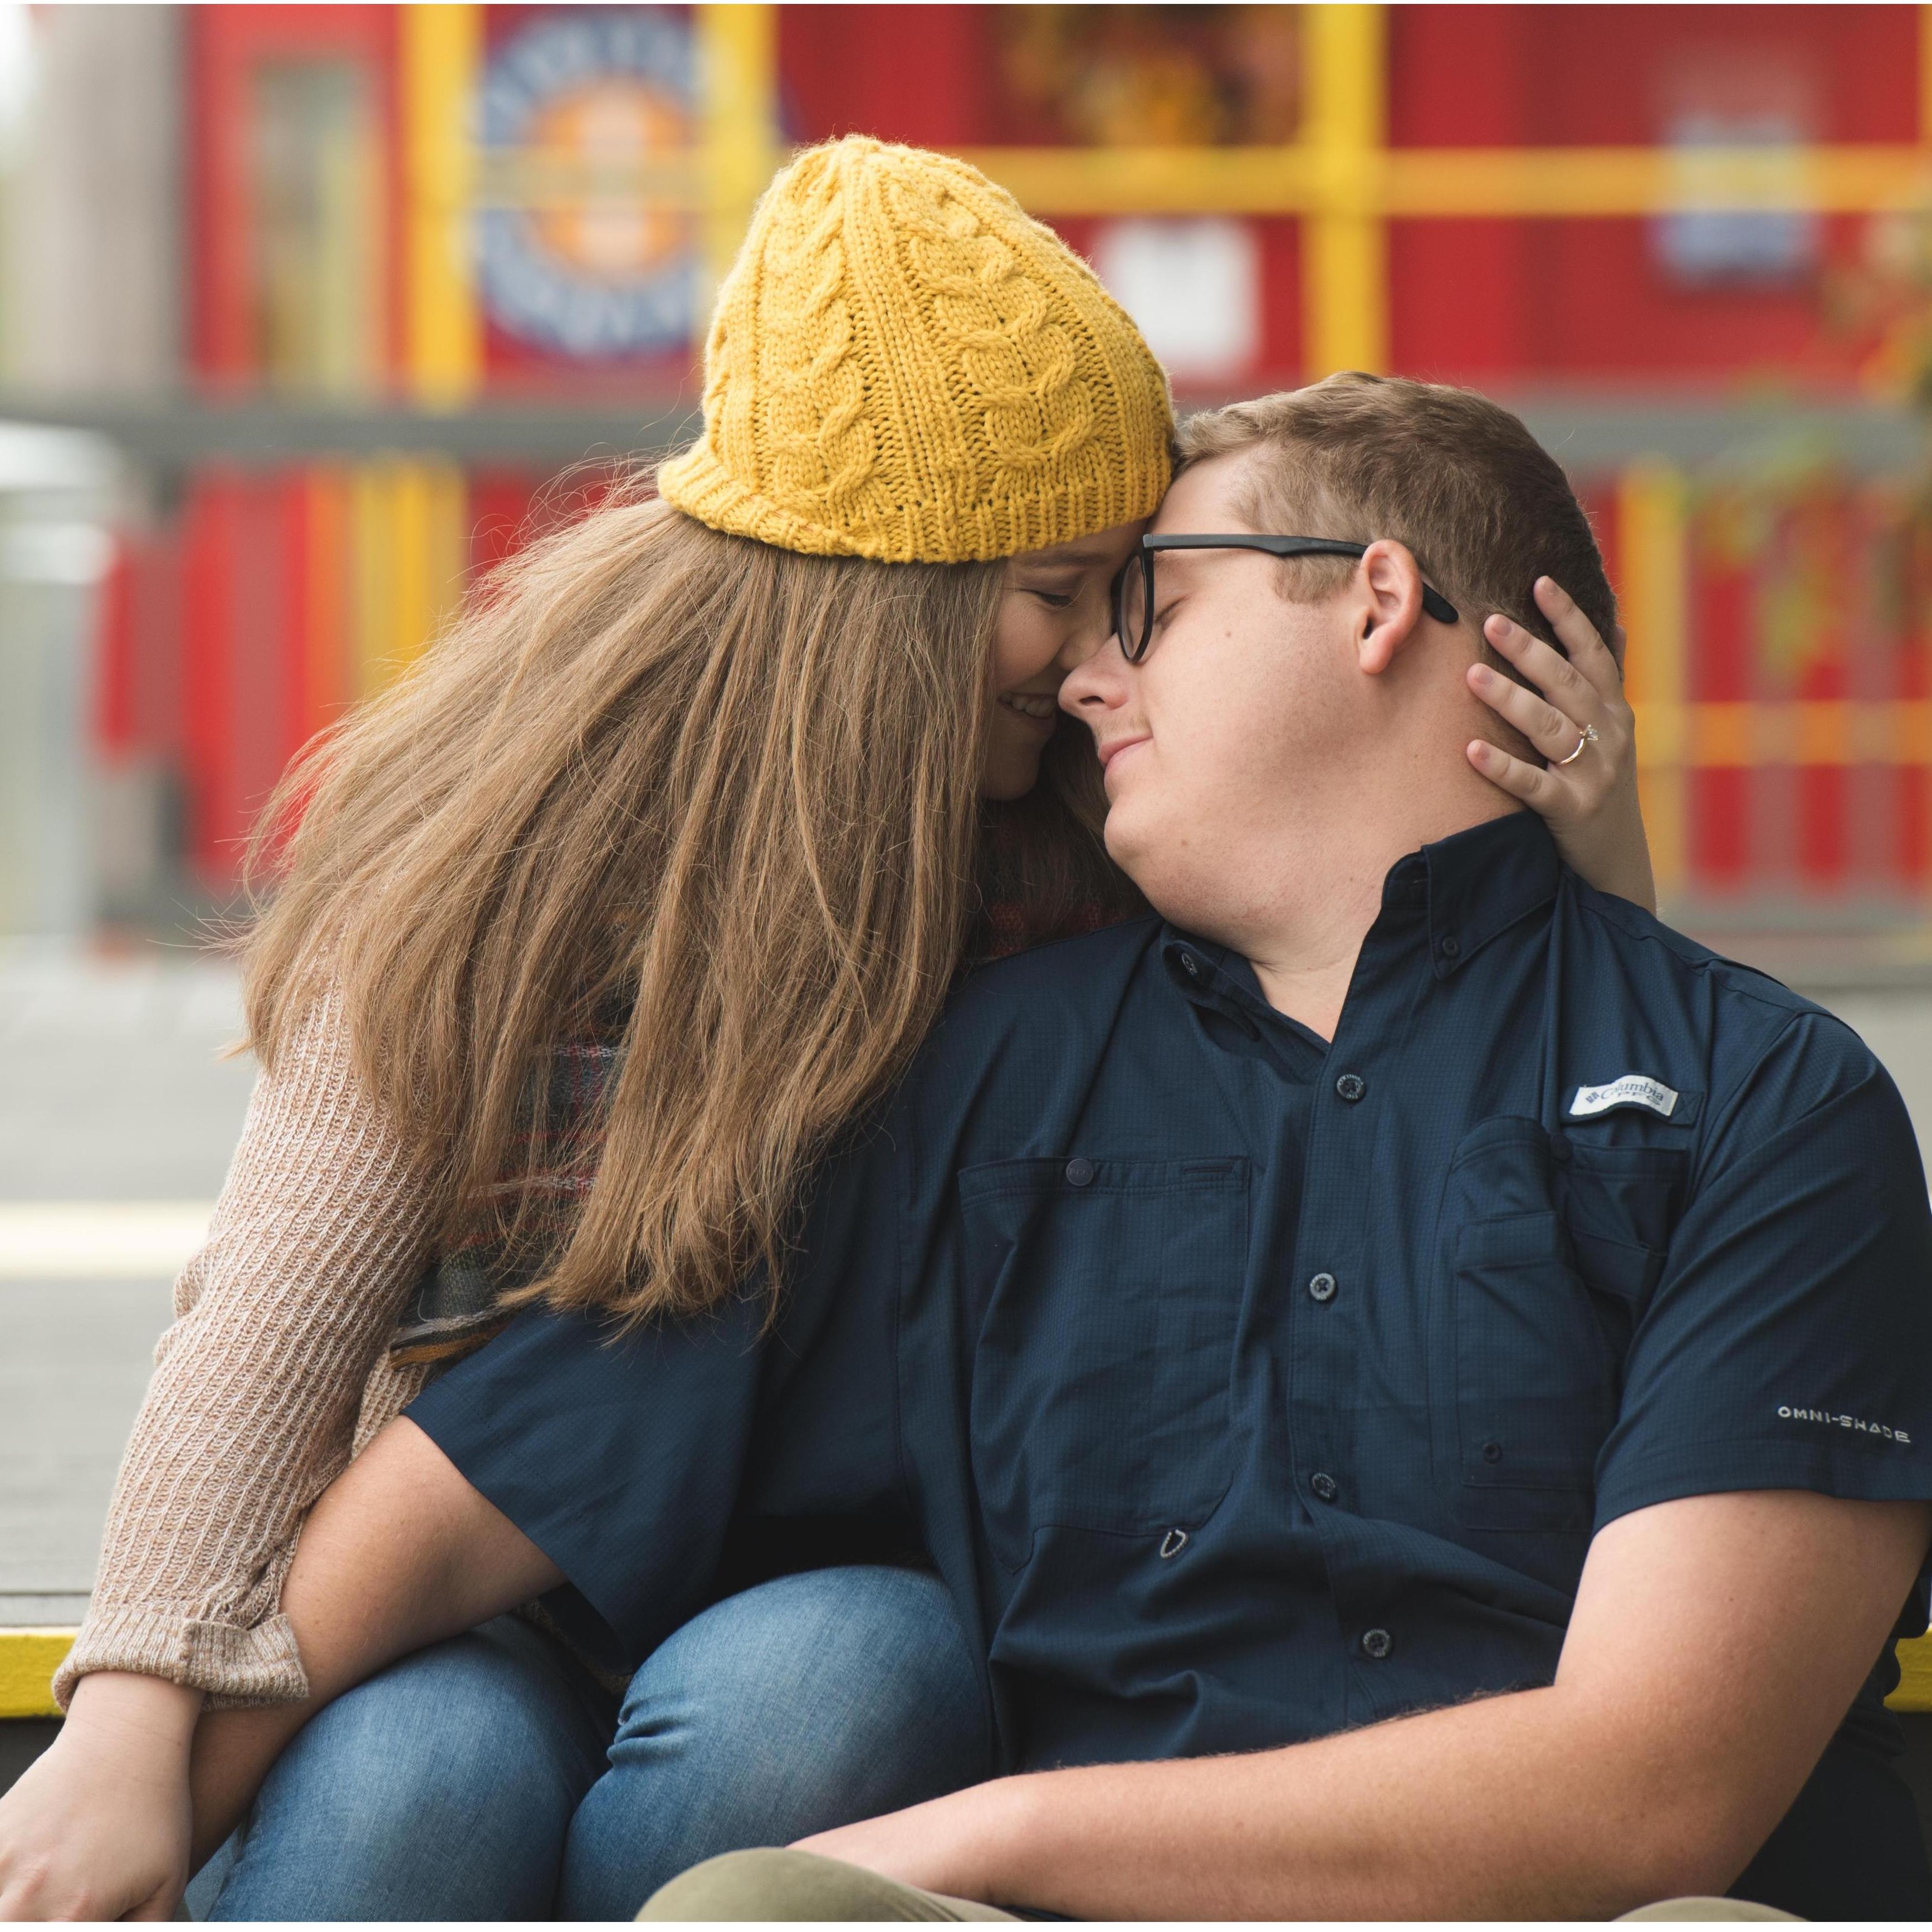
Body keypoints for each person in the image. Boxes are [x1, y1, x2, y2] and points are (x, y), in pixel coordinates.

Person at [0, 146, 1645, 1923]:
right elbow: (271, 1308)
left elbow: (1389, 1035)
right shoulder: (503, 839)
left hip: (848, 1558)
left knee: (836, 1680)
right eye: (1062, 587)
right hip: (457, 1570)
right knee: (421, 1778)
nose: (1101, 654)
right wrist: (127, 1715)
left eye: (1131, 596)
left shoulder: (1091, 835)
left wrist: (1589, 863)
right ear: (890, 592)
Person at [138, 372, 1932, 1922]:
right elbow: (528, 1454)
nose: (1085, 675)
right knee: (726, 1881)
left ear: (1375, 600)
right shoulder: (984, 1077)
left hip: (1582, 1915)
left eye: (1143, 600)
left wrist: (999, 1832)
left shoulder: (1763, 1106)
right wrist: (133, 1769)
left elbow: (1656, 1792)